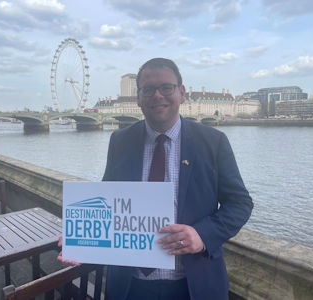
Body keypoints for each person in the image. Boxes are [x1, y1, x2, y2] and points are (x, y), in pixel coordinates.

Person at [59, 58, 253, 300]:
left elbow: (240, 204)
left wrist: (202, 235)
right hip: (131, 286)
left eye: (166, 88)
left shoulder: (213, 142)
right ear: (138, 98)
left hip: (193, 285)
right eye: (148, 89)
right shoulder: (120, 141)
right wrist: (81, 236)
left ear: (181, 93)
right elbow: (110, 201)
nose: (157, 95)